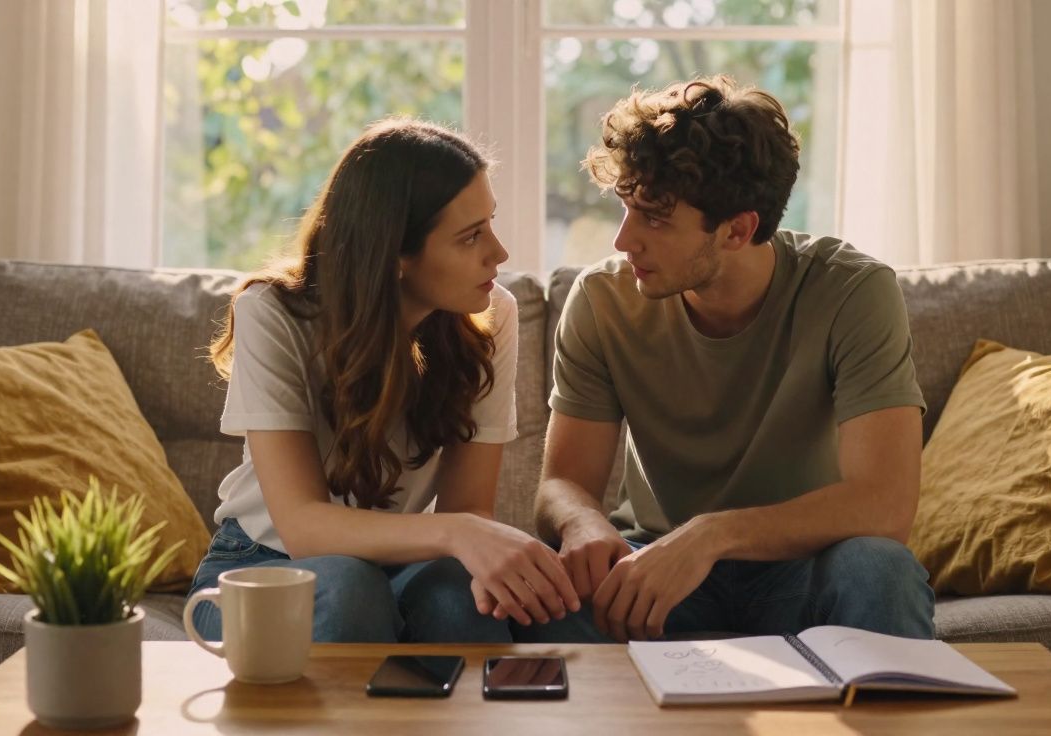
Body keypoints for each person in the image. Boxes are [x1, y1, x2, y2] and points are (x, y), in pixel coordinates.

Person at [525, 76, 935, 644]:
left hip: (799, 570)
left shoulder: (852, 291)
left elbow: (885, 504)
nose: (624, 241)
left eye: (656, 219)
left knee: (879, 568)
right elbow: (562, 482)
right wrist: (583, 522)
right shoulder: (602, 301)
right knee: (522, 598)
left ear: (738, 229)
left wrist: (710, 536)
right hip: (653, 575)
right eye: (626, 209)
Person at [188, 119, 580, 643]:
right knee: (350, 588)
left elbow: (468, 510)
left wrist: (468, 536)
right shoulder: (273, 313)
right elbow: (304, 527)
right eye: (471, 237)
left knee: (461, 599)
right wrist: (458, 532)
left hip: (399, 565)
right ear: (395, 254)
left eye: (490, 222)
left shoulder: (493, 316)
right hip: (260, 564)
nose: (500, 253)